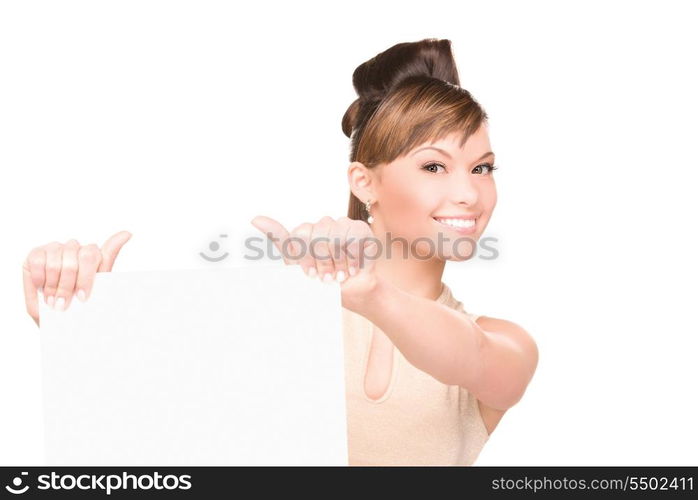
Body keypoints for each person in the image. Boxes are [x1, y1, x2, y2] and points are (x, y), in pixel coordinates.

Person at [21, 38, 538, 466]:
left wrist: (371, 293)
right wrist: (78, 322)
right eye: (434, 166)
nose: (470, 193)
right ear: (364, 182)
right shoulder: (278, 320)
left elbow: (467, 356)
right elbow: (161, 438)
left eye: (482, 167)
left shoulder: (504, 344)